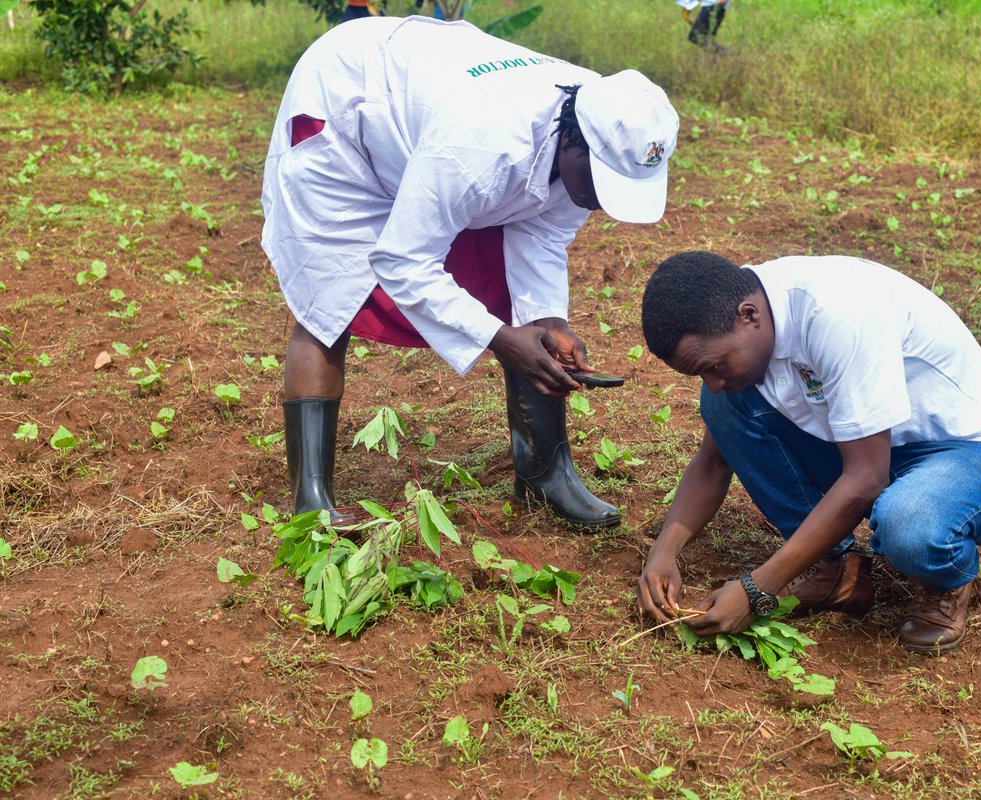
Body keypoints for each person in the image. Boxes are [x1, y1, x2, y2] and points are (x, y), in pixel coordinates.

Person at [261, 17, 679, 530]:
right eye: (600, 182)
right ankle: (312, 500)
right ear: (572, 143)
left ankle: (544, 475)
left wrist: (550, 323)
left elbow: (542, 235)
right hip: (348, 104)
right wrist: (500, 338)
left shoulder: (606, 127)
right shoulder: (482, 145)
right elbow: (401, 259)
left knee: (517, 297)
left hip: (430, 111)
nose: (600, 201)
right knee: (329, 296)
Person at [636, 251, 981, 654]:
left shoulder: (838, 313)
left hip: (973, 453)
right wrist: (663, 551)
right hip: (877, 447)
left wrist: (756, 589)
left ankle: (947, 581)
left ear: (749, 316)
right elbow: (714, 460)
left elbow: (866, 478)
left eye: (714, 365)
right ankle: (832, 570)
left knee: (910, 524)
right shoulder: (747, 319)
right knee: (724, 406)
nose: (713, 381)